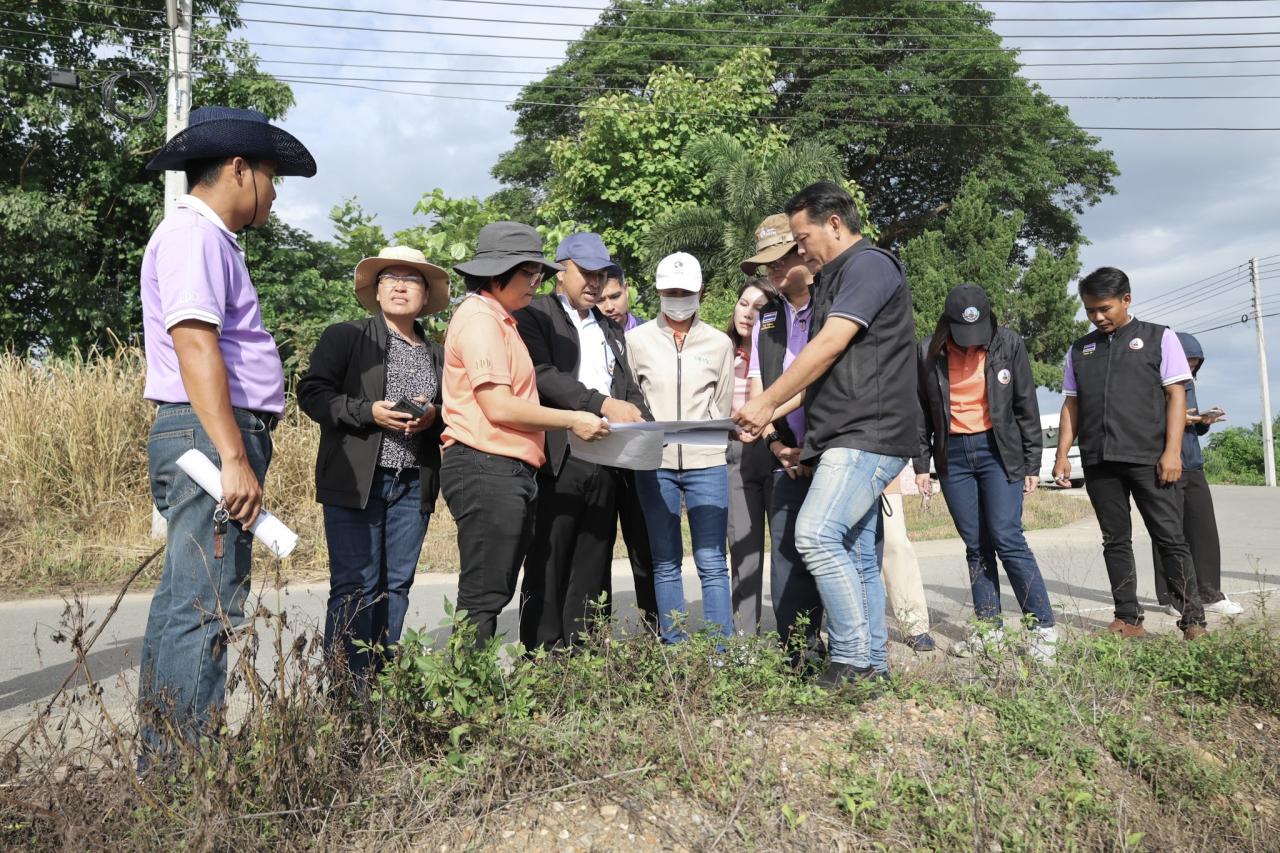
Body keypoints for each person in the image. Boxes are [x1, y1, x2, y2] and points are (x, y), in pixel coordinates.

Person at [136, 106, 316, 757]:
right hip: (211, 435)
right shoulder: (196, 236)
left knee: (186, 601)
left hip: (207, 432)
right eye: (272, 177)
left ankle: (162, 765)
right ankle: (183, 774)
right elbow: (195, 341)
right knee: (206, 606)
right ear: (238, 169)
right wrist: (234, 456)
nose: (273, 193)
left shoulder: (208, 239)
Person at [735, 182, 919, 688]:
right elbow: (817, 373)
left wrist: (767, 399)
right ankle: (875, 668)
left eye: (802, 236)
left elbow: (832, 344)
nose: (798, 248)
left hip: (869, 432)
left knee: (815, 535)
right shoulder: (832, 279)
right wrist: (765, 416)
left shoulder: (869, 266)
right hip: (839, 434)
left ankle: (852, 659)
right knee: (857, 553)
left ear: (834, 223)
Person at [440, 222, 610, 644]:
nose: (537, 283)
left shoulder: (503, 320)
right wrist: (572, 419)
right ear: (498, 273)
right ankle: (465, 696)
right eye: (529, 274)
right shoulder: (479, 318)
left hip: (506, 467)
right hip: (485, 463)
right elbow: (498, 405)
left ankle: (470, 689)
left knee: (494, 588)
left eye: (540, 275)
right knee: (484, 592)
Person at [297, 246, 449, 684]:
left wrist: (432, 415)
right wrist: (369, 412)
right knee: (354, 587)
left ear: (425, 294)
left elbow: (452, 411)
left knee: (396, 586)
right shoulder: (346, 336)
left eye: (411, 279)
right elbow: (313, 394)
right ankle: (347, 694)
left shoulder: (437, 353)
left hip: (411, 483)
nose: (400, 286)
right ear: (376, 291)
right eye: (390, 278)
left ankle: (381, 688)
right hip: (356, 482)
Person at [513, 232, 652, 650]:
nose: (594, 282)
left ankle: (585, 646)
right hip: (560, 452)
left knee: (594, 551)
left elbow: (625, 384)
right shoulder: (536, 315)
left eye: (601, 273)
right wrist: (601, 403)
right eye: (585, 272)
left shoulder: (608, 328)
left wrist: (640, 417)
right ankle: (542, 648)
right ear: (561, 272)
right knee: (551, 552)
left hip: (607, 455)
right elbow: (542, 374)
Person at [1053, 267, 1208, 640]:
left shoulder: (1160, 338)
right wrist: (1062, 455)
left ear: (1127, 299)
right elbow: (1071, 404)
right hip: (1099, 460)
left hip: (1149, 457)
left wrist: (1172, 452)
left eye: (1104, 308)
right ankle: (1127, 617)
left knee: (1170, 537)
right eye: (1090, 310)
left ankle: (1193, 621)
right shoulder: (1080, 349)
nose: (1098, 317)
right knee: (1114, 540)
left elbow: (1176, 395)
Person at [914, 284, 1057, 661]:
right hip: (954, 457)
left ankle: (1042, 629)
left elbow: (1026, 404)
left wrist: (1032, 463)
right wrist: (921, 466)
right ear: (948, 326)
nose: (971, 344)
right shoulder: (928, 352)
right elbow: (921, 415)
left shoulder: (1008, 344)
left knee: (1007, 538)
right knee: (976, 547)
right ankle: (988, 631)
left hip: (999, 450)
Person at [626, 252, 736, 643]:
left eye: (685, 291)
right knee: (665, 560)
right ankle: (675, 648)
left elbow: (721, 405)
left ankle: (723, 649)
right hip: (655, 463)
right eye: (670, 291)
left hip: (707, 463)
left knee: (711, 560)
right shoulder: (635, 341)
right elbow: (632, 399)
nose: (678, 298)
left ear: (700, 292)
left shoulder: (720, 343)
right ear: (658, 292)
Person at [741, 214, 824, 658]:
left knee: (834, 552)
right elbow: (758, 386)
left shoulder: (831, 305)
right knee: (787, 554)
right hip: (783, 453)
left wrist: (768, 411)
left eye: (779, 259)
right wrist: (775, 442)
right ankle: (797, 649)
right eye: (764, 263)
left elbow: (818, 380)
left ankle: (850, 649)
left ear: (804, 254)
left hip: (831, 449)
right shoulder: (767, 319)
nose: (770, 270)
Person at [1153, 332, 1241, 616]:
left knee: (1204, 531)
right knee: (1169, 533)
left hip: (1193, 464)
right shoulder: (1154, 381)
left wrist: (1203, 421)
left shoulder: (1188, 381)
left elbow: (1190, 424)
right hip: (1164, 463)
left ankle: (1210, 593)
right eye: (1187, 360)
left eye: (1195, 362)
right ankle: (1171, 598)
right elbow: (1149, 419)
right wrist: (1180, 417)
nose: (1190, 365)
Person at [597, 271, 659, 627]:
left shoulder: (650, 337)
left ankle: (656, 629)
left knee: (645, 548)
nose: (609, 306)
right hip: (600, 456)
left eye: (615, 296)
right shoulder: (588, 336)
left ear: (628, 292)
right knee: (597, 548)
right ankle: (596, 634)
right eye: (601, 299)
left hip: (641, 457)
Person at [725, 276, 778, 634]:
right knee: (743, 550)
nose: (748, 313)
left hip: (776, 451)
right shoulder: (719, 350)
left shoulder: (781, 351)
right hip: (735, 453)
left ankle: (800, 637)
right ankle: (745, 637)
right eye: (744, 303)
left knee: (791, 548)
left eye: (759, 307)